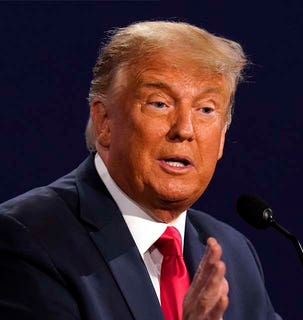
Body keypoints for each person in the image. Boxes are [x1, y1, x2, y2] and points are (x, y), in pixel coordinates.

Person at [0, 21, 280, 320]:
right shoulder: (27, 238)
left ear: (223, 137)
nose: (184, 130)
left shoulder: (235, 254)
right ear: (105, 122)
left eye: (206, 109)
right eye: (159, 104)